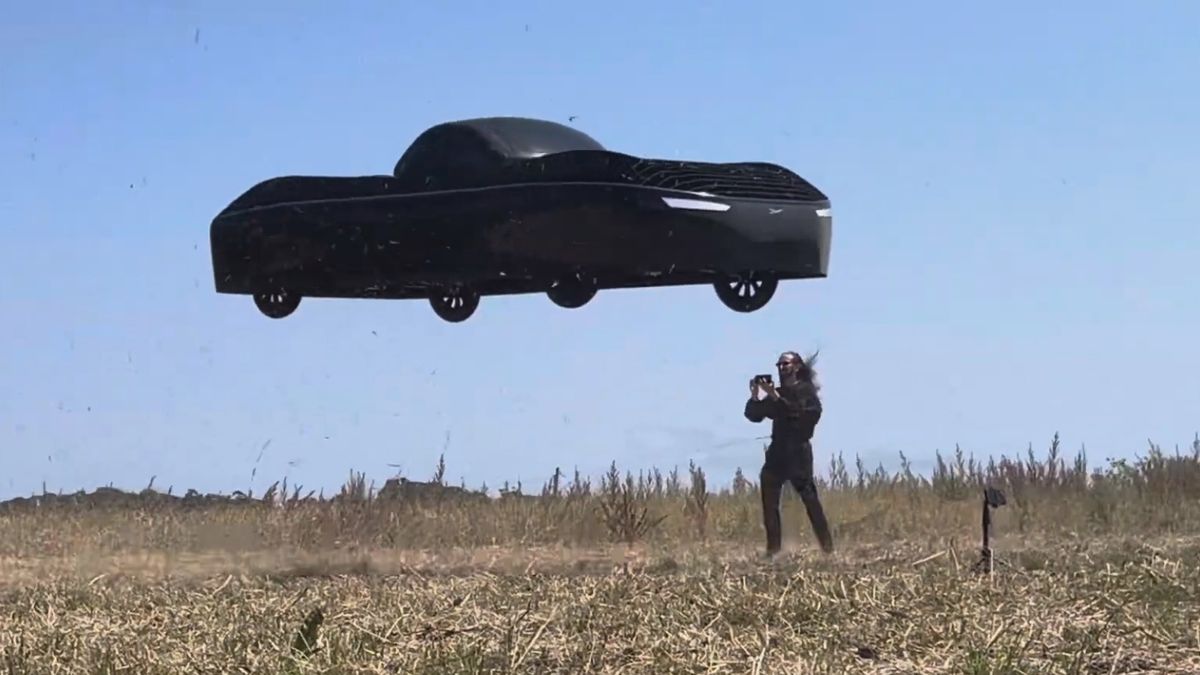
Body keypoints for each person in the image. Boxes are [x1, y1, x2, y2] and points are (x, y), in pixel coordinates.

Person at [744, 350, 834, 556]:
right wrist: (755, 395)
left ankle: (827, 547)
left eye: (786, 364)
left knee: (809, 499)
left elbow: (798, 414)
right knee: (769, 498)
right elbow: (754, 416)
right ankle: (773, 549)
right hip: (778, 451)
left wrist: (775, 397)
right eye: (780, 365)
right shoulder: (778, 393)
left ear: (797, 367)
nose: (782, 368)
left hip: (798, 451)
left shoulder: (806, 392)